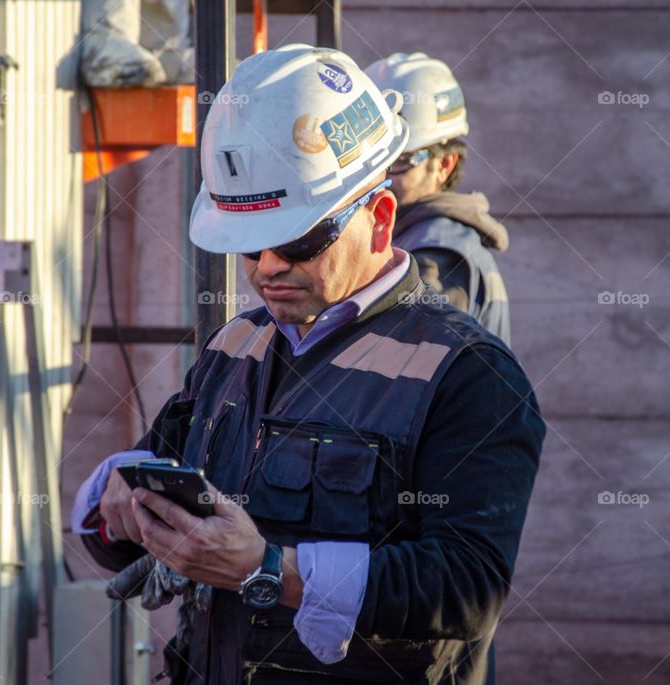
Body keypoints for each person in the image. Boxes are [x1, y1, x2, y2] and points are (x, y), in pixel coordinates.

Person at [73, 44, 544, 685]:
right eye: (246, 245)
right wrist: (118, 502)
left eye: (296, 241)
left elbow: (467, 587)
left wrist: (269, 570)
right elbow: (128, 501)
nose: (268, 267)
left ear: (379, 221)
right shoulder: (234, 346)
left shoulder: (469, 374)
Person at [366, 53, 512, 345]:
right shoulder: (416, 237)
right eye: (373, 161)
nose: (383, 177)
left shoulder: (436, 255)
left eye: (400, 161)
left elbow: (407, 364)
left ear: (444, 165)